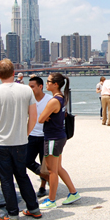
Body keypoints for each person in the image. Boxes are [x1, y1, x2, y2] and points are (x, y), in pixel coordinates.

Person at [0, 59, 41, 220]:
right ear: (14, 72)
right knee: (22, 175)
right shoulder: (26, 90)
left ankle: (13, 214)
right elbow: (34, 116)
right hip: (21, 141)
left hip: (1, 142)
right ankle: (33, 208)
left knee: (6, 179)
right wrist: (26, 133)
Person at [38, 73, 80, 210]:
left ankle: (51, 199)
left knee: (52, 170)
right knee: (58, 168)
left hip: (53, 138)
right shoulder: (62, 98)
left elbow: (40, 118)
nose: (46, 83)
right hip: (59, 136)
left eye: (48, 81)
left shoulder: (53, 101)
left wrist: (46, 116)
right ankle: (73, 192)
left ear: (55, 84)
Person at [26, 76, 52, 197]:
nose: (30, 89)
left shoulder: (49, 100)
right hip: (31, 135)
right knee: (27, 160)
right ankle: (48, 178)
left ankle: (42, 186)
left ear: (40, 87)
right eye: (29, 86)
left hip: (45, 136)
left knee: (45, 163)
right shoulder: (28, 100)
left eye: (32, 86)